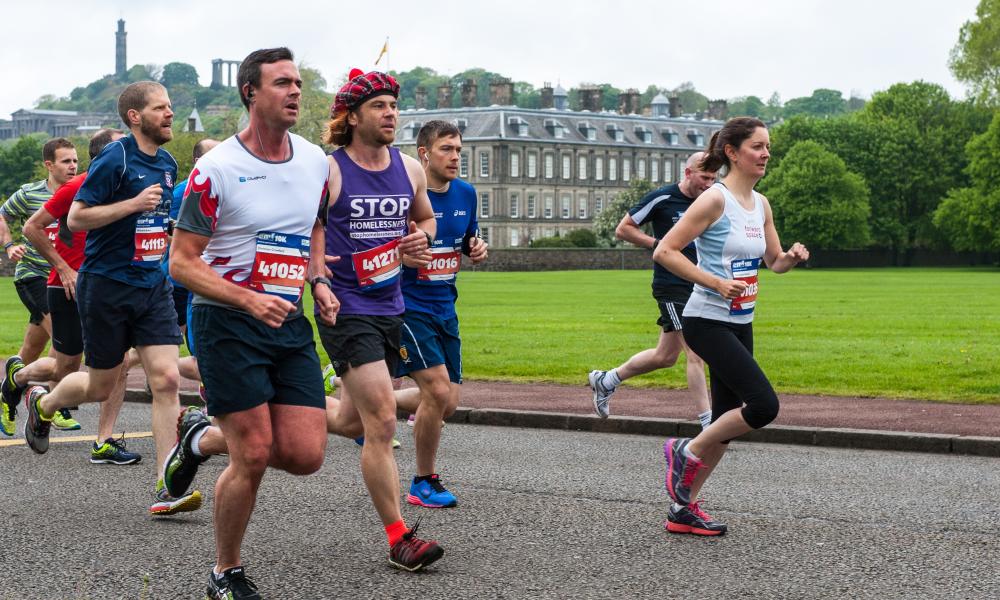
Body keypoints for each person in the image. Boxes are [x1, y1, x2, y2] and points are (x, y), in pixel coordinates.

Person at [168, 48, 333, 600]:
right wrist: (246, 298)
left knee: (307, 456)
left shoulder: (314, 160)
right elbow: (181, 262)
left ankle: (199, 437)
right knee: (256, 453)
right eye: (282, 83)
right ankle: (226, 570)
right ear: (250, 92)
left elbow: (312, 226)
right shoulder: (214, 170)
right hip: (226, 323)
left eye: (298, 83)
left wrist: (319, 281)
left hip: (287, 321)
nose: (294, 92)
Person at [20, 81, 198, 516]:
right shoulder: (113, 159)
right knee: (100, 386)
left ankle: (166, 485)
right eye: (161, 108)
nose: (170, 114)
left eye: (171, 107)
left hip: (151, 285)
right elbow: (78, 217)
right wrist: (132, 204)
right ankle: (44, 403)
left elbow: (159, 222)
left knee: (167, 380)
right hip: (106, 286)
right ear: (136, 116)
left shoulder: (169, 162)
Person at [654, 117, 809, 536]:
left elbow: (773, 263)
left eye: (768, 147)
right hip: (706, 319)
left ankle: (681, 510)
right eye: (757, 146)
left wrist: (791, 257)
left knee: (725, 420)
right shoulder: (714, 200)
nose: (766, 154)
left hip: (741, 321)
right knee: (763, 406)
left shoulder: (761, 204)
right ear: (732, 152)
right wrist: (714, 282)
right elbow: (666, 251)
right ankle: (685, 449)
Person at [318, 68, 444, 571]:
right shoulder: (329, 170)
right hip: (345, 307)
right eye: (379, 106)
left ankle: (275, 405)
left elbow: (426, 218)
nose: (391, 113)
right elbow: (312, 228)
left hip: (391, 303)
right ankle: (399, 537)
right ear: (351, 117)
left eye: (394, 104)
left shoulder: (409, 168)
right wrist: (319, 282)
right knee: (383, 421)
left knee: (349, 418)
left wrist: (424, 239)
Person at [5, 128, 140, 464]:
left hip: (110, 287)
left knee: (121, 362)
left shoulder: (132, 187)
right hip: (63, 285)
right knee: (65, 367)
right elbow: (32, 227)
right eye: (122, 145)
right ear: (106, 154)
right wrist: (64, 268)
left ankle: (104, 441)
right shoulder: (76, 187)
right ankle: (19, 377)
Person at [391, 120, 488, 508]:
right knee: (436, 389)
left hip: (446, 305)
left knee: (448, 402)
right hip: (408, 305)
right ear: (425, 154)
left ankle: (375, 397)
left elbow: (469, 240)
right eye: (447, 149)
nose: (455, 157)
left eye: (459, 150)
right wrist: (402, 253)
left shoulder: (466, 192)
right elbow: (380, 249)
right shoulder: (407, 196)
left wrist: (477, 249)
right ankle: (423, 481)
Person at [588, 153, 717, 427]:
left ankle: (606, 380)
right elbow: (623, 229)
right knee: (696, 352)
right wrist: (658, 244)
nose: (709, 184)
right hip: (672, 285)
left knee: (665, 357)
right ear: (688, 173)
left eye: (714, 179)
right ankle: (709, 423)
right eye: (704, 177)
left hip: (701, 284)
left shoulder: (711, 201)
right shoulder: (663, 198)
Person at [0, 137, 81, 435]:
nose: (72, 166)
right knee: (65, 345)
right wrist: (9, 245)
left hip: (65, 283)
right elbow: (2, 214)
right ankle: (53, 404)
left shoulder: (82, 193)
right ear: (49, 164)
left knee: (32, 348)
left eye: (75, 160)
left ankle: (8, 392)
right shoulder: (30, 193)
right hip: (34, 276)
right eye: (65, 161)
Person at [161, 138, 219, 393]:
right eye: (215, 155)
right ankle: (147, 365)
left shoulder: (226, 188)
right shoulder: (180, 192)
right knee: (170, 340)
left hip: (205, 279)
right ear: (199, 161)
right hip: (177, 281)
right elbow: (168, 232)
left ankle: (205, 383)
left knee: (199, 345)